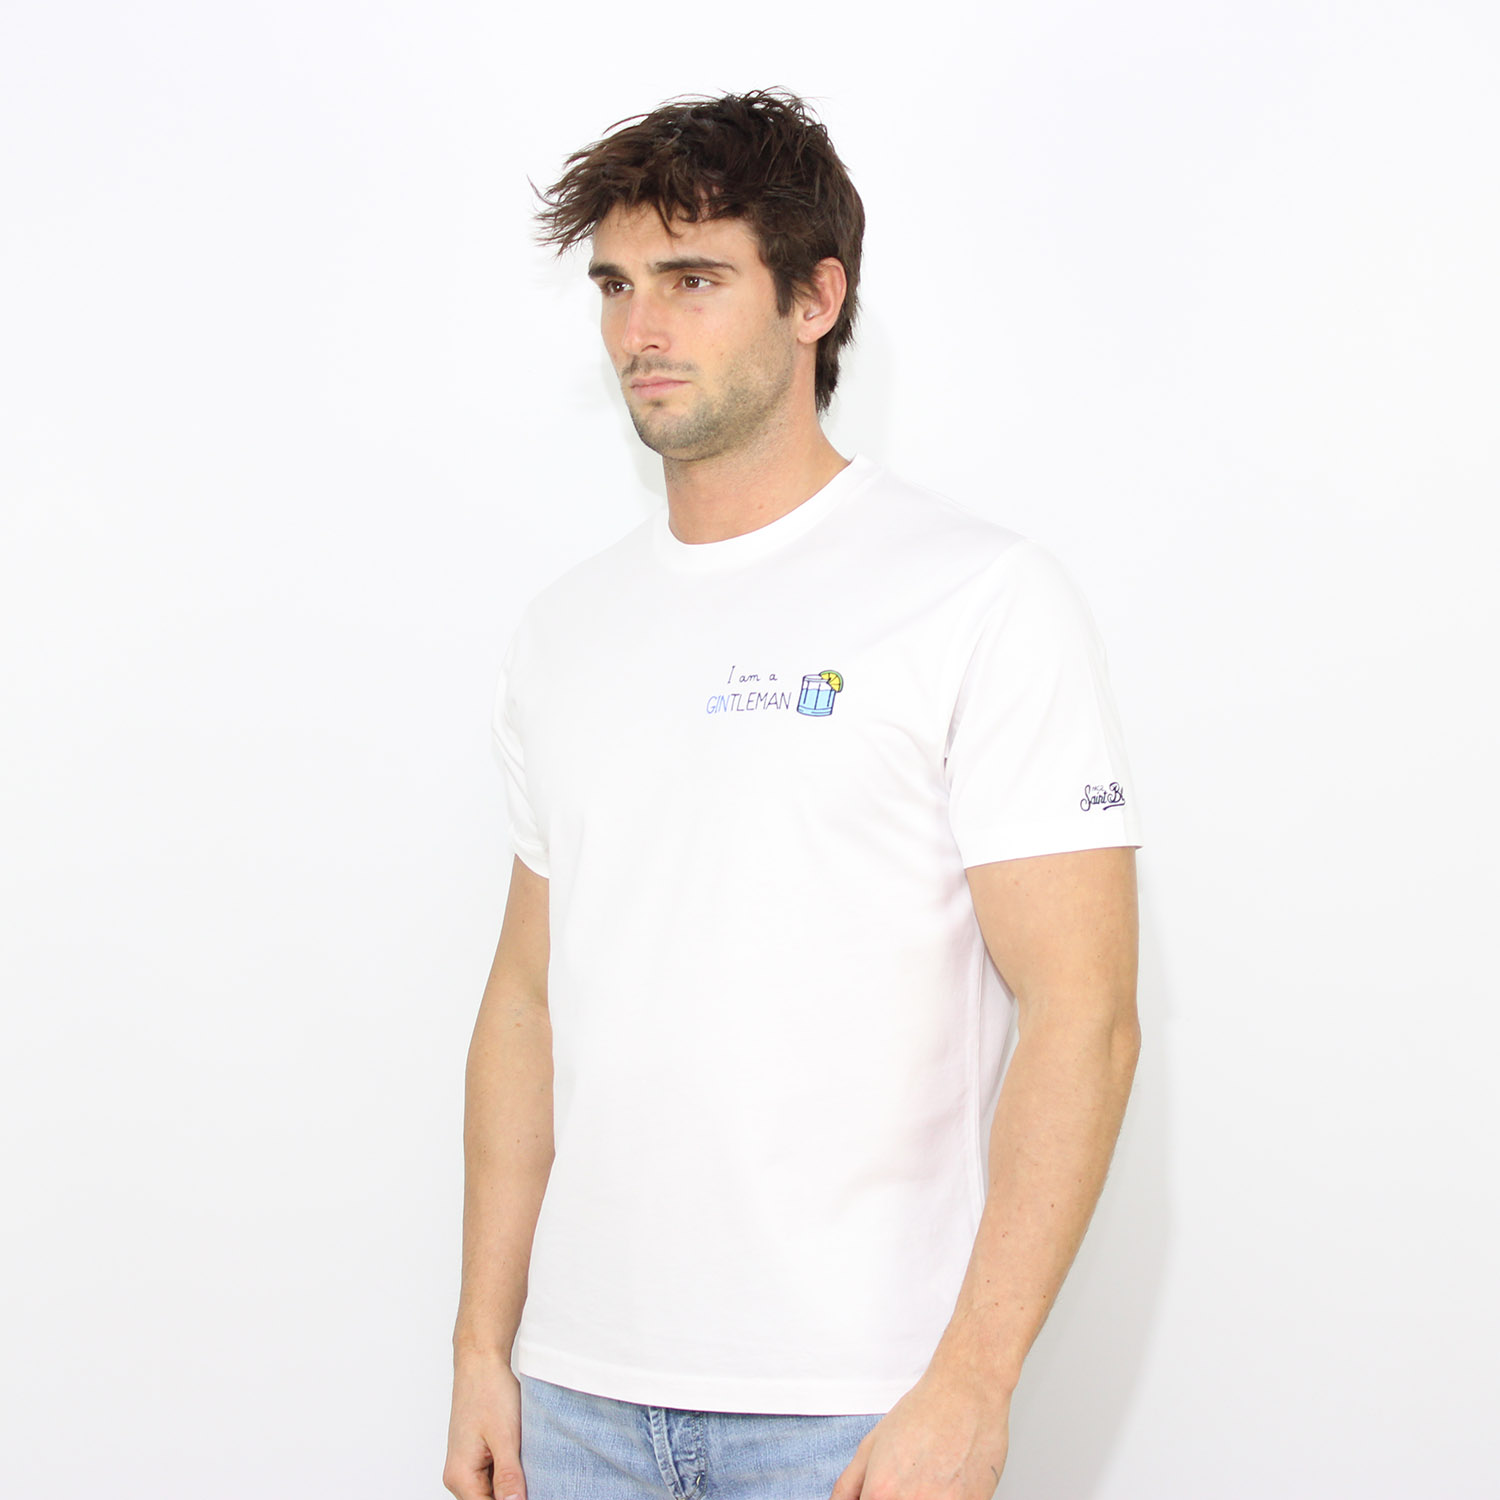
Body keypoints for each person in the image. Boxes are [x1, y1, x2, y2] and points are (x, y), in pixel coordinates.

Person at [444, 89, 1142, 1500]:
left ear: (815, 300)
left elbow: (1086, 1015)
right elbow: (525, 999)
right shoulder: (564, 631)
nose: (640, 330)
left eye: (693, 281)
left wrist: (974, 1380)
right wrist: (481, 1344)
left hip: (855, 1412)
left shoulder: (977, 596)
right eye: (617, 287)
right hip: (575, 1401)